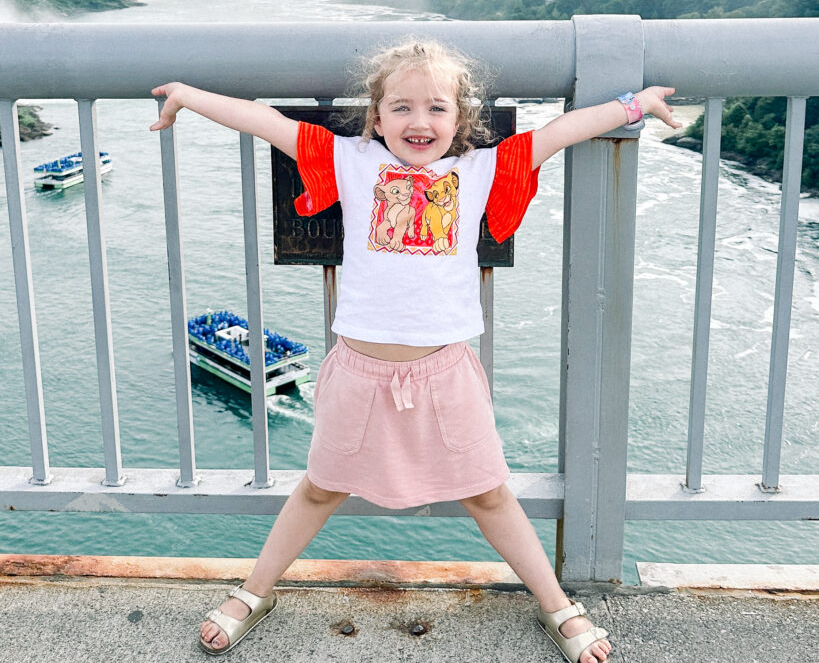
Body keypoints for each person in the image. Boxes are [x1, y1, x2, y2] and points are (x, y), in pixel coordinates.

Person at [150, 38, 681, 662]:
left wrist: (633, 104)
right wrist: (186, 97)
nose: (419, 122)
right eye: (400, 107)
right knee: (321, 487)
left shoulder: (480, 170)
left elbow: (561, 131)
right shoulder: (351, 161)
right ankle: (253, 591)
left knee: (488, 493)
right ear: (376, 119)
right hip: (357, 370)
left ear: (460, 121)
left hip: (445, 372)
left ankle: (559, 605)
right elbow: (267, 121)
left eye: (437, 108)